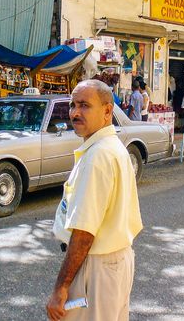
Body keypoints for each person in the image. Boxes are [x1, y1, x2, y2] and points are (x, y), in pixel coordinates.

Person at [46, 80, 142, 321]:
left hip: (97, 268)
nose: (75, 113)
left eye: (85, 106)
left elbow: (84, 233)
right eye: (73, 105)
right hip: (115, 264)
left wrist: (60, 288)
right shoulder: (109, 147)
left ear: (107, 111)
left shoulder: (99, 156)